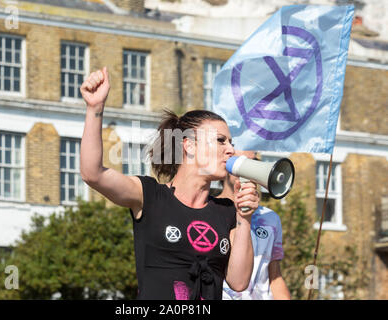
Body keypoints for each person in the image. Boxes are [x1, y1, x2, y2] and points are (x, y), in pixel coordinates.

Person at [79, 67, 260, 300]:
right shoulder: (149, 196)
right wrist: (95, 107)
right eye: (220, 140)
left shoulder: (226, 211)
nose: (230, 149)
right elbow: (92, 173)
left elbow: (239, 282)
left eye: (230, 142)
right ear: (189, 146)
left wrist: (245, 217)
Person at [218, 150, 291, 300]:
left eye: (254, 162)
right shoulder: (208, 210)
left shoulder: (270, 219)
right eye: (242, 162)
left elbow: (274, 277)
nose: (249, 168)